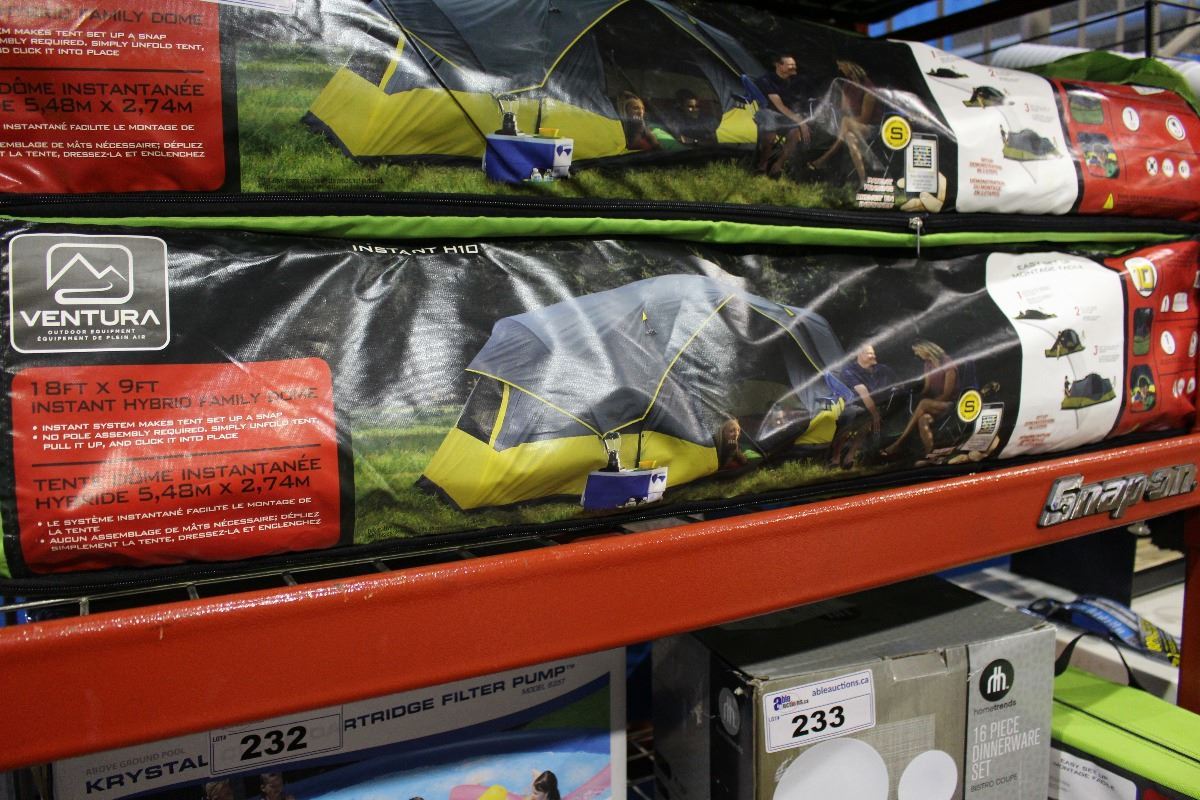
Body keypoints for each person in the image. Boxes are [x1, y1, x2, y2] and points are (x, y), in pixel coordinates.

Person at [880, 340, 958, 460]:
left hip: (950, 404)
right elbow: (926, 388)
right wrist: (913, 395)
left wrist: (927, 403)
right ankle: (929, 454)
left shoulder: (947, 362)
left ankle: (898, 442)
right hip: (933, 406)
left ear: (925, 348)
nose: (916, 354)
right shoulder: (927, 364)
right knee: (922, 420)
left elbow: (947, 394)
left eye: (917, 351)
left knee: (923, 404)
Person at [807, 60, 879, 187]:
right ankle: (864, 180)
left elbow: (865, 119)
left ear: (850, 65)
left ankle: (825, 157)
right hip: (851, 127)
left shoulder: (869, 89)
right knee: (850, 139)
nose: (840, 69)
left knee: (845, 122)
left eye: (841, 65)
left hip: (872, 128)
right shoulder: (847, 85)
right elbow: (843, 110)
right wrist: (829, 105)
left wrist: (847, 120)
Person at [829, 344, 895, 468]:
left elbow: (897, 382)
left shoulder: (882, 369)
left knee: (866, 424)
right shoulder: (849, 371)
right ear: (860, 355)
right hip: (853, 404)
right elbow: (863, 392)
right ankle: (835, 458)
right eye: (870, 353)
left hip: (871, 406)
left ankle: (850, 456)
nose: (873, 356)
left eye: (873, 353)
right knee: (848, 426)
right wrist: (875, 414)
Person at [753, 54, 811, 178]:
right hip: (767, 112)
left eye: (794, 65)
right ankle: (762, 166)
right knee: (770, 134)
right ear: (779, 66)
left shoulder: (794, 81)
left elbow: (796, 104)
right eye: (790, 65)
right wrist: (801, 122)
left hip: (783, 116)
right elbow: (779, 105)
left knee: (795, 132)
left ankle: (778, 165)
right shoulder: (766, 80)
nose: (794, 67)